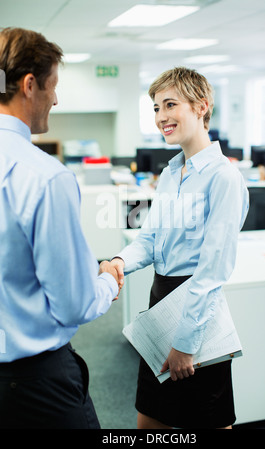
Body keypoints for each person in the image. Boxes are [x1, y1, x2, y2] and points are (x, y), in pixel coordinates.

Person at [111, 67, 249, 429]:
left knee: (206, 420)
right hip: (160, 303)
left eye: (169, 105)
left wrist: (186, 343)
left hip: (198, 313)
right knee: (150, 418)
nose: (160, 117)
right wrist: (119, 261)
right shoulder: (172, 172)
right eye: (156, 108)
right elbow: (151, 239)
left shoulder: (223, 177)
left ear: (201, 106)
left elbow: (212, 270)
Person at [0, 27, 122, 429]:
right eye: (53, 86)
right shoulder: (44, 176)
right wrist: (106, 281)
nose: (56, 98)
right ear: (29, 85)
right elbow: (74, 304)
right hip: (33, 387)